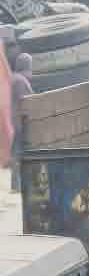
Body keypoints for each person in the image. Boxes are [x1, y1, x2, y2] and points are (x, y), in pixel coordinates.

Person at [7, 51, 30, 191]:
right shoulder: (20, 81)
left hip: (11, 121)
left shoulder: (12, 78)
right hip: (18, 123)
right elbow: (28, 101)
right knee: (18, 153)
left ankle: (16, 185)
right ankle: (16, 186)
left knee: (16, 153)